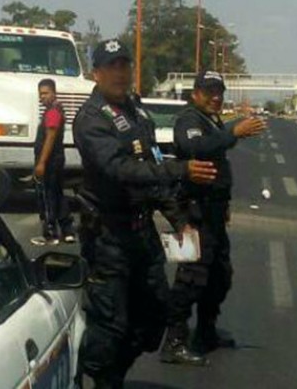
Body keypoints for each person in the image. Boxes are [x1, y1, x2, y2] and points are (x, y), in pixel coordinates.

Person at [74, 39, 218, 387]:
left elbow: (151, 167)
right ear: (97, 73)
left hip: (142, 234)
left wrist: (179, 220)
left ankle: (110, 372)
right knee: (111, 324)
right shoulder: (91, 119)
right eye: (112, 67)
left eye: (125, 65)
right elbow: (120, 169)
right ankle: (86, 373)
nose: (120, 73)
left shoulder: (137, 113)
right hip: (109, 237)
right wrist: (180, 170)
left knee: (155, 317)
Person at [161, 71, 266, 364]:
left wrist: (224, 203)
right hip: (190, 212)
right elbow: (196, 148)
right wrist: (234, 132)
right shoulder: (189, 120)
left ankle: (205, 331)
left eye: (219, 92)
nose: (215, 97)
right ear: (195, 93)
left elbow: (217, 153)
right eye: (209, 92)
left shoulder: (211, 120)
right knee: (189, 279)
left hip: (213, 211)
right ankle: (174, 342)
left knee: (219, 276)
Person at [33, 78, 75, 245]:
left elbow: (50, 137)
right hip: (56, 159)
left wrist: (41, 163)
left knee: (46, 195)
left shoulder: (52, 112)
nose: (42, 97)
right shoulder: (55, 110)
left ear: (54, 93)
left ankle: (50, 233)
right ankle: (67, 230)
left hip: (50, 161)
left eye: (45, 93)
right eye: (40, 94)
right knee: (58, 194)